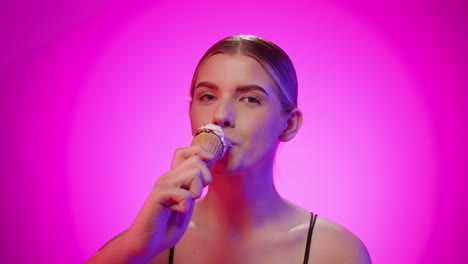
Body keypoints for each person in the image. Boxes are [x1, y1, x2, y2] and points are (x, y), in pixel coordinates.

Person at [87, 35, 371, 263]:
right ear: (191, 112)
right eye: (207, 96)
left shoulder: (335, 252)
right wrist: (135, 251)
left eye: (250, 99)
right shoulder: (147, 245)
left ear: (289, 124)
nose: (221, 115)